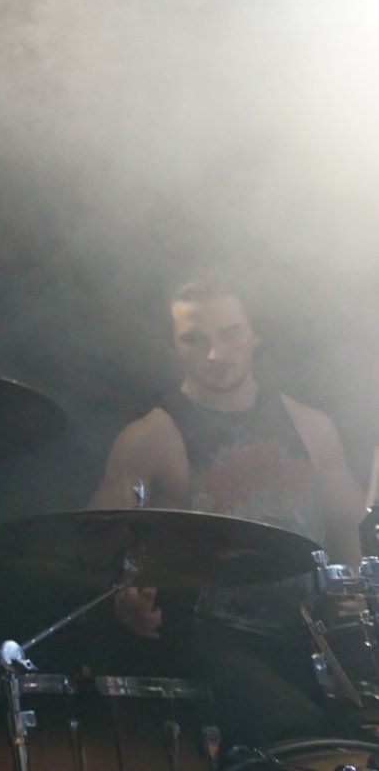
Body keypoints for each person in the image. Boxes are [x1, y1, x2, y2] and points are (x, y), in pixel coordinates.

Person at [88, 274, 366, 747]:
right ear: (173, 347)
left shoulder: (312, 428)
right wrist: (123, 593)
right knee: (297, 730)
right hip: (204, 642)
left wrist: (356, 591)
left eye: (230, 333)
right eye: (194, 339)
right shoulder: (151, 437)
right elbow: (89, 546)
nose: (216, 354)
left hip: (309, 638)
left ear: (256, 333)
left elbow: (349, 528)